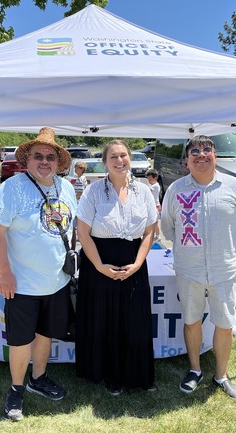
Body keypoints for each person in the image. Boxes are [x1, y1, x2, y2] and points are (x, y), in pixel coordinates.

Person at [0, 127, 77, 421]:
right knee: (20, 340)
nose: (44, 161)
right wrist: (4, 273)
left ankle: (38, 378)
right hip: (22, 283)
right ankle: (16, 389)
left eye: (49, 156)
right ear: (27, 159)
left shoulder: (65, 188)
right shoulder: (13, 187)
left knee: (45, 335)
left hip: (57, 281)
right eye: (37, 156)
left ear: (58, 161)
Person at [160, 135, 236, 402]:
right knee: (191, 320)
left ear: (215, 155)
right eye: (195, 151)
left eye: (207, 150)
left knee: (224, 322)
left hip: (224, 270)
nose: (201, 155)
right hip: (189, 270)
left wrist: (221, 248)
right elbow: (168, 228)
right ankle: (195, 370)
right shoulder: (176, 190)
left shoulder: (234, 187)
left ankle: (221, 375)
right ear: (186, 160)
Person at [75, 139, 158, 395]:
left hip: (134, 261)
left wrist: (137, 264)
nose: (120, 160)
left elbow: (149, 233)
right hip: (99, 261)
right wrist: (99, 266)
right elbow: (83, 233)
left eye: (124, 155)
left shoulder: (143, 191)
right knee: (104, 321)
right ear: (105, 162)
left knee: (134, 320)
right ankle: (110, 375)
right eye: (114, 157)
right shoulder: (93, 192)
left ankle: (136, 374)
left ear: (130, 159)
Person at [71, 161, 88, 248]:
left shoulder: (81, 179)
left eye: (77, 168)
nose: (75, 169)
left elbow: (80, 192)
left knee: (75, 226)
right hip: (80, 203)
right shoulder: (81, 178)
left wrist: (74, 199)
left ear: (81, 169)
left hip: (78, 203)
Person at [146, 168, 162, 241]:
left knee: (155, 223)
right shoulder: (152, 185)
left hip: (155, 206)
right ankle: (155, 235)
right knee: (152, 222)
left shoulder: (155, 186)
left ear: (155, 178)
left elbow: (148, 191)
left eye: (150, 179)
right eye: (148, 179)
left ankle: (158, 236)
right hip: (152, 206)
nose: (149, 180)